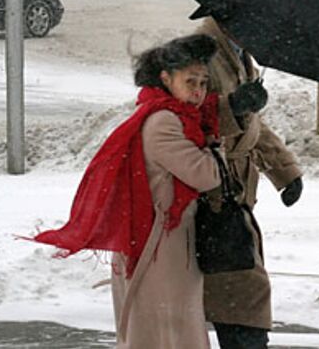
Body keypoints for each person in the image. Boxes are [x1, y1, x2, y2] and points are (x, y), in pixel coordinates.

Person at [32, 34, 224, 349]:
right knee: (166, 331)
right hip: (160, 245)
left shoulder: (174, 117)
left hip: (162, 240)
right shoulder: (165, 122)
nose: (199, 91)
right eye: (190, 81)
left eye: (203, 82)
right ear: (166, 78)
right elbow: (207, 175)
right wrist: (217, 146)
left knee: (164, 328)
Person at [195, 15, 304, 349]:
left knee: (234, 290)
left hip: (234, 194)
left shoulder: (240, 56)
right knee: (239, 290)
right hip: (211, 196)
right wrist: (233, 106)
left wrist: (285, 171)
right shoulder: (200, 54)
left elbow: (253, 126)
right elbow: (182, 117)